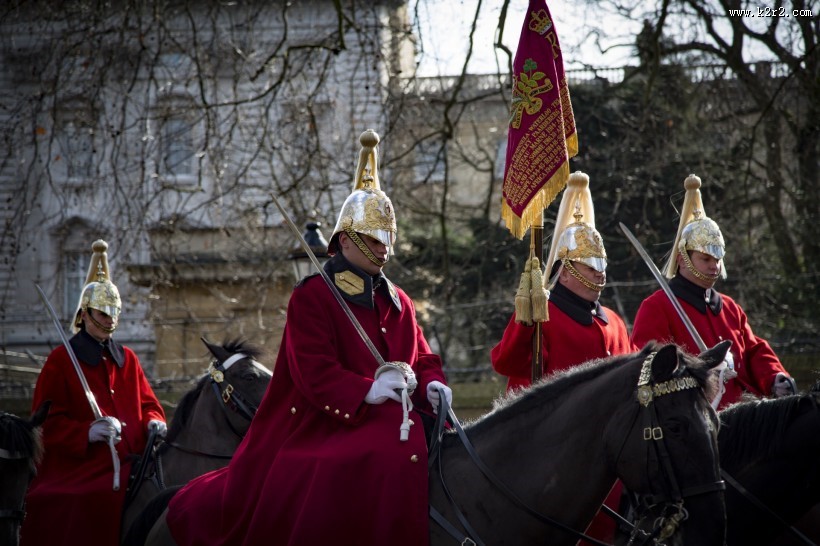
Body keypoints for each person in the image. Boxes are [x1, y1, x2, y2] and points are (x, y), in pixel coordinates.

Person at [164, 130, 452, 546]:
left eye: (388, 238)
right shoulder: (313, 295)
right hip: (326, 423)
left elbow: (422, 357)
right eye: (375, 239)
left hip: (401, 415)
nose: (384, 249)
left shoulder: (400, 300)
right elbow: (314, 372)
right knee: (356, 461)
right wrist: (367, 390)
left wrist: (433, 384)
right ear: (347, 239)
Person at [490, 171, 634, 545]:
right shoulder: (544, 314)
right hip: (554, 446)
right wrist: (525, 320)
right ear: (566, 271)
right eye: (590, 267)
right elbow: (506, 364)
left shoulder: (613, 321)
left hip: (607, 448)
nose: (599, 276)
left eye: (602, 267)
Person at [21, 239, 167, 546]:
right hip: (84, 467)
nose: (110, 319)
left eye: (114, 312)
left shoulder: (128, 358)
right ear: (85, 314)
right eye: (102, 313)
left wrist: (154, 421)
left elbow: (148, 404)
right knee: (79, 500)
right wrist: (86, 432)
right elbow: (45, 426)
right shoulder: (61, 360)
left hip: (136, 461)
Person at [631, 174, 795, 410]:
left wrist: (774, 376)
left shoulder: (730, 308)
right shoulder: (657, 307)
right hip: (695, 417)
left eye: (717, 259)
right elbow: (650, 369)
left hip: (745, 412)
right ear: (683, 259)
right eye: (706, 259)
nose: (714, 266)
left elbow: (753, 350)